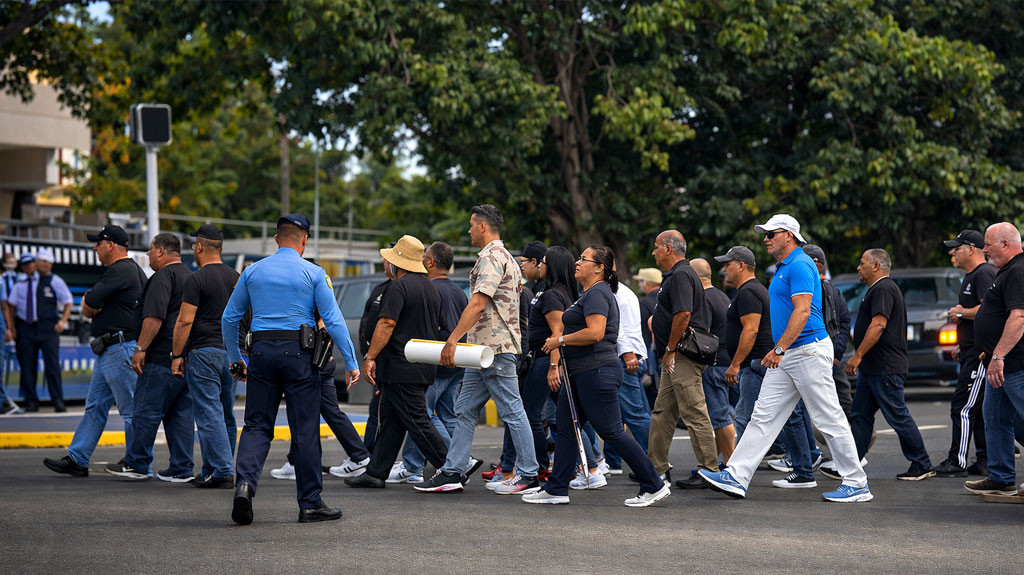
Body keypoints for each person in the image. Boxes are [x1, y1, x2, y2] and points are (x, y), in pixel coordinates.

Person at [700, 214, 871, 502]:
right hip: (792, 353)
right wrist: (782, 350)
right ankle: (736, 476)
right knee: (763, 417)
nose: (766, 239)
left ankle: (856, 483)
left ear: (788, 235)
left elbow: (803, 312)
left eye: (771, 234)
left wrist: (779, 349)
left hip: (806, 350)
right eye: (765, 234)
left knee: (828, 417)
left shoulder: (801, 263)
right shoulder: (784, 266)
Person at [221, 214, 360, 524]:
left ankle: (244, 484)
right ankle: (310, 503)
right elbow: (334, 320)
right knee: (305, 429)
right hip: (299, 354)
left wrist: (235, 357)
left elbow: (230, 318)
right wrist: (352, 362)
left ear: (276, 239)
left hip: (260, 352)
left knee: (257, 425)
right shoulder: (314, 273)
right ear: (305, 240)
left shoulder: (252, 272)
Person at [523, 245, 669, 507]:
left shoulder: (598, 293)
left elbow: (596, 333)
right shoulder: (588, 293)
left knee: (612, 431)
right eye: (578, 258)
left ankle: (654, 484)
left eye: (583, 259)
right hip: (582, 373)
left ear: (600, 268)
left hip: (597, 371)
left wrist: (560, 340)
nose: (577, 262)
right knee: (566, 430)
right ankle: (556, 488)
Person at [415, 204, 537, 494]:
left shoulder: (492, 258)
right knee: (464, 410)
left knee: (512, 411)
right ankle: (453, 472)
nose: (468, 230)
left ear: (483, 226)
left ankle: (530, 474)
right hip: (484, 350)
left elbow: (479, 302)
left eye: (472, 224)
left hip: (492, 350)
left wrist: (453, 339)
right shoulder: (503, 256)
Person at [346, 235, 449, 488]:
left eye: (389, 259)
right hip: (421, 365)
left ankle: (450, 467)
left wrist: (370, 357)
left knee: (416, 419)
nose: (385, 263)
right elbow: (437, 326)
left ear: (398, 262)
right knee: (392, 420)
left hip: (401, 367)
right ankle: (375, 472)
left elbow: (386, 323)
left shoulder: (397, 287)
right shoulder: (430, 288)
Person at [44, 226, 145, 477]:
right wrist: (90, 303)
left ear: (111, 245)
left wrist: (89, 303)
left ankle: (138, 463)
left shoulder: (120, 269)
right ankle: (78, 459)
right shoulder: (125, 270)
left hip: (120, 347)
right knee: (95, 406)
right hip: (111, 348)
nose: (95, 248)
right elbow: (90, 304)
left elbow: (88, 303)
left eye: (98, 243)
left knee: (131, 410)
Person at [105, 233, 195, 482]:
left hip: (160, 355)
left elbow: (154, 317)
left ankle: (136, 462)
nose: (147, 255)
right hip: (186, 356)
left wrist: (140, 347)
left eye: (150, 250)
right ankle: (181, 467)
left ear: (161, 251)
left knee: (146, 409)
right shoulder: (190, 277)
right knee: (180, 415)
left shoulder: (162, 277)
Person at [839, 249, 935, 481]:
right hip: (873, 368)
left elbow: (879, 325)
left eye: (862, 263)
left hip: (884, 367)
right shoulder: (876, 289)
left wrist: (858, 355)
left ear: (876, 265)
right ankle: (852, 463)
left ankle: (922, 463)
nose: (858, 268)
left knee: (897, 415)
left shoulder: (883, 288)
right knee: (861, 414)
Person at [169, 224, 239, 488]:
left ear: (199, 247)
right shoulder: (237, 277)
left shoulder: (196, 279)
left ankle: (221, 471)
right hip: (232, 353)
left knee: (209, 413)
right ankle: (213, 468)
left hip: (203, 353)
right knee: (226, 414)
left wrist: (176, 354)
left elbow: (184, 322)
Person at [646, 230, 719, 483]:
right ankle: (656, 468)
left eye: (656, 247)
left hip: (682, 355)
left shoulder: (680, 274)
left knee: (694, 412)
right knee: (663, 412)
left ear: (668, 248)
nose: (653, 252)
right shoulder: (680, 274)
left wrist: (670, 349)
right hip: (678, 355)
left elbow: (684, 314)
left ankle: (709, 470)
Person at [394, 241, 469, 481]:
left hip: (437, 360)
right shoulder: (458, 290)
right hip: (458, 361)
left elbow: (433, 327)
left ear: (431, 262)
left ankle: (418, 466)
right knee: (449, 415)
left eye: (424, 257)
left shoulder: (431, 288)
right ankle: (461, 459)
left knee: (423, 415)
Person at [965, 223, 1024, 495]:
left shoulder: (1017, 271)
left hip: (1014, 364)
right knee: (995, 417)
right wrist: (989, 350)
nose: (984, 249)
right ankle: (1001, 477)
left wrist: (998, 354)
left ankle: (1001, 476)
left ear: (1005, 244)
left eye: (988, 244)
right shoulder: (1006, 271)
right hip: (999, 362)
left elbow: (1019, 318)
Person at [934, 230, 997, 477]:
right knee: (978, 409)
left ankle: (957, 461)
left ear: (971, 249)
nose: (953, 252)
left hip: (981, 353)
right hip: (971, 349)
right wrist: (963, 343)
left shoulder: (984, 274)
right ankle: (984, 459)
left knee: (962, 406)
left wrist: (961, 313)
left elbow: (988, 309)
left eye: (957, 248)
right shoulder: (972, 275)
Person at [602, 262, 651, 477]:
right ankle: (613, 462)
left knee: (635, 414)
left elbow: (618, 327)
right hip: (627, 356)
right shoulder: (617, 291)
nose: (579, 264)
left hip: (626, 357)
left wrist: (627, 353)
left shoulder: (615, 293)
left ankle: (654, 465)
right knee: (618, 414)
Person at [7, 250, 72, 412]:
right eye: (25, 264)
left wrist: (63, 321)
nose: (29, 267)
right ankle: (31, 401)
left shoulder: (52, 280)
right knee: (27, 366)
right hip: (26, 328)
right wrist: (12, 328)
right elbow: (10, 306)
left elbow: (67, 300)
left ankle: (58, 400)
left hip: (48, 328)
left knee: (52, 365)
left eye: (31, 263)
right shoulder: (21, 283)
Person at [690, 257, 735, 470]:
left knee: (718, 416)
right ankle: (713, 463)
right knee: (721, 414)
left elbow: (702, 333)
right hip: (727, 360)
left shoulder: (704, 299)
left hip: (714, 363)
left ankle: (730, 464)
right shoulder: (721, 295)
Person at [633, 267, 662, 408]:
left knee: (650, 389)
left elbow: (642, 330)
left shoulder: (644, 302)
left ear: (647, 283)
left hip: (649, 349)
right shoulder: (666, 298)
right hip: (666, 348)